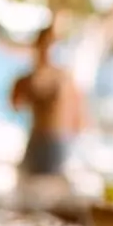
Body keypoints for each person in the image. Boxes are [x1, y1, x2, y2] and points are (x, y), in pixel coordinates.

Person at [11, 26, 86, 178]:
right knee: (30, 184)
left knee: (53, 187)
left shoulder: (64, 76)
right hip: (38, 138)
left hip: (59, 140)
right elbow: (15, 103)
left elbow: (80, 112)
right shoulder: (30, 78)